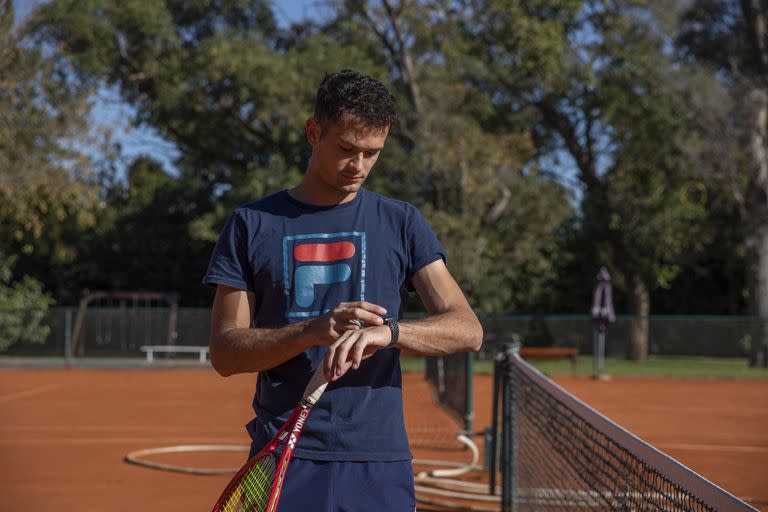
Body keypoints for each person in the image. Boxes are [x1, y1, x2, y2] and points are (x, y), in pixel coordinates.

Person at [203, 69, 483, 511]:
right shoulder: (251, 225)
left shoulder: (402, 222)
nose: (359, 166)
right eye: (347, 149)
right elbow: (224, 352)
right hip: (284, 454)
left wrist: (388, 332)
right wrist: (310, 331)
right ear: (314, 132)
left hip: (379, 460)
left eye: (373, 153)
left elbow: (467, 329)